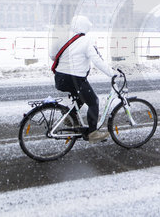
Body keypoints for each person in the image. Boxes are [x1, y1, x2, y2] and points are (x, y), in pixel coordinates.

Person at [49, 15, 115, 143]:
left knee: (82, 96)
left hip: (60, 78)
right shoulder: (86, 41)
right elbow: (97, 60)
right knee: (94, 101)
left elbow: (52, 55)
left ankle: (71, 115)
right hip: (75, 79)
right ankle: (92, 133)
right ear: (85, 27)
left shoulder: (62, 37)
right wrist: (111, 73)